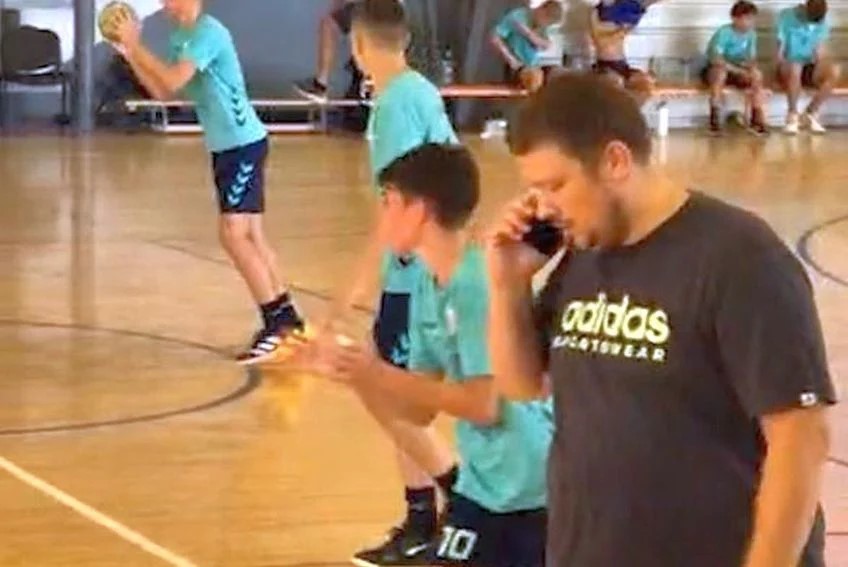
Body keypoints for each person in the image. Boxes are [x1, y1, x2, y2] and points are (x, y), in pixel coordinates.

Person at [487, 73, 835, 567]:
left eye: (555, 185)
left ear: (615, 161)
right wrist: (508, 284)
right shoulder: (586, 252)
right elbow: (523, 384)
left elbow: (801, 436)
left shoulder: (740, 257)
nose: (544, 207)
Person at [314, 143, 552, 567]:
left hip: (528, 486)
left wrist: (376, 373)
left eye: (389, 203)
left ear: (419, 210)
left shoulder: (477, 283)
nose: (381, 219)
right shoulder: (427, 283)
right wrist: (356, 373)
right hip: (484, 484)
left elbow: (483, 405)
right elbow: (417, 412)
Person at [324, 1, 459, 564]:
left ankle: (450, 509)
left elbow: (400, 208)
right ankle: (427, 516)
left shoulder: (399, 102)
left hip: (414, 279)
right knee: (387, 392)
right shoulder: (414, 93)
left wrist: (350, 292)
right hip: (423, 273)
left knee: (394, 399)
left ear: (359, 47)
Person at [110, 0, 304, 365]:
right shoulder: (180, 36)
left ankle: (276, 323)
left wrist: (136, 44)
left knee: (233, 234)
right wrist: (130, 54)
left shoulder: (208, 33)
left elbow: (173, 78)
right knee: (251, 237)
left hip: (242, 145)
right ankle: (288, 320)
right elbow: (163, 91)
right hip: (228, 148)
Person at [702, 0, 768, 136]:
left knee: (757, 75)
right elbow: (717, 59)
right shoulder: (724, 32)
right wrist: (738, 71)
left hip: (738, 71)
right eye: (747, 19)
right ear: (735, 18)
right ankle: (714, 119)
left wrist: (751, 69)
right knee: (719, 74)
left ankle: (756, 118)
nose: (750, 23)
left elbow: (751, 58)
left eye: (752, 19)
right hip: (717, 69)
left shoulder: (751, 34)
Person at [776, 0, 841, 135]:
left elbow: (820, 50)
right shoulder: (786, 16)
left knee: (835, 70)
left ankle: (811, 112)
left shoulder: (822, 22)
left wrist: (821, 62)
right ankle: (792, 115)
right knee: (795, 67)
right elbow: (780, 49)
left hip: (809, 65)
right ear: (805, 9)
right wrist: (781, 63)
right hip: (789, 65)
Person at [589, 0, 659, 102]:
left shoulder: (604, 21)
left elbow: (605, 41)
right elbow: (604, 40)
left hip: (611, 64)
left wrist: (623, 31)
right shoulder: (603, 20)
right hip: (615, 65)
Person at [490, 1, 564, 92]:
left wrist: (528, 33)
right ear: (541, 11)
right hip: (516, 66)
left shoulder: (542, 27)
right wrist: (510, 58)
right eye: (546, 21)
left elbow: (546, 45)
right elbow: (495, 37)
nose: (545, 25)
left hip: (533, 67)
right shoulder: (517, 17)